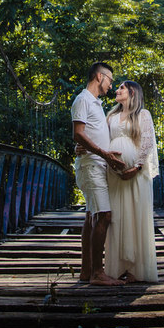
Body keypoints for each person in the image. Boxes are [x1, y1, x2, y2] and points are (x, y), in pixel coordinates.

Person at [71, 62, 126, 286]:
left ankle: (86, 271)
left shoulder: (95, 103)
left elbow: (87, 135)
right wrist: (103, 153)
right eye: (110, 79)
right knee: (104, 215)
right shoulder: (83, 99)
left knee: (91, 216)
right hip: (91, 166)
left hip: (96, 164)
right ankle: (97, 273)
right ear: (99, 76)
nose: (111, 85)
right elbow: (78, 133)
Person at [103, 80, 159, 283]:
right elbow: (102, 142)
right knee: (117, 217)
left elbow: (147, 141)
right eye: (117, 87)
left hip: (136, 174)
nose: (116, 91)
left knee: (136, 216)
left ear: (133, 92)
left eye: (121, 88)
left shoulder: (143, 115)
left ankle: (136, 269)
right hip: (115, 175)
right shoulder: (111, 116)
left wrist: (136, 167)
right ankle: (118, 268)